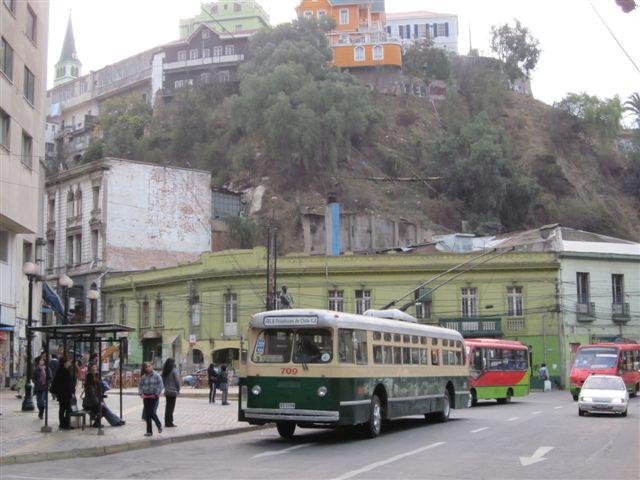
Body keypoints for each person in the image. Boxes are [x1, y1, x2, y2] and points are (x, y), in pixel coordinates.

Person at [138, 362, 163, 437]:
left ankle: (159, 425)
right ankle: (149, 431)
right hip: (146, 397)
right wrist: (141, 393)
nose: (148, 368)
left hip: (154, 397)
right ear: (144, 368)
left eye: (149, 366)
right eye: (146, 367)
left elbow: (161, 386)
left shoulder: (157, 376)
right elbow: (140, 386)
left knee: (152, 412)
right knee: (147, 415)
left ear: (152, 366)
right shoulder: (143, 377)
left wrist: (156, 394)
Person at [50, 357, 75, 430]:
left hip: (61, 394)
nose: (69, 363)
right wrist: (71, 393)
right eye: (68, 362)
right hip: (65, 394)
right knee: (67, 409)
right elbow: (67, 385)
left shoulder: (59, 371)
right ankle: (65, 423)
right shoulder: (65, 372)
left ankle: (63, 423)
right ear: (64, 363)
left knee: (62, 409)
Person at [161, 358, 180, 428]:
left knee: (167, 407)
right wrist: (178, 389)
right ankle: (170, 422)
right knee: (171, 407)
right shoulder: (174, 370)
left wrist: (165, 387)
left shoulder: (165, 371)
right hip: (173, 391)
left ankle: (167, 422)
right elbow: (177, 381)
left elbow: (162, 381)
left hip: (167, 391)